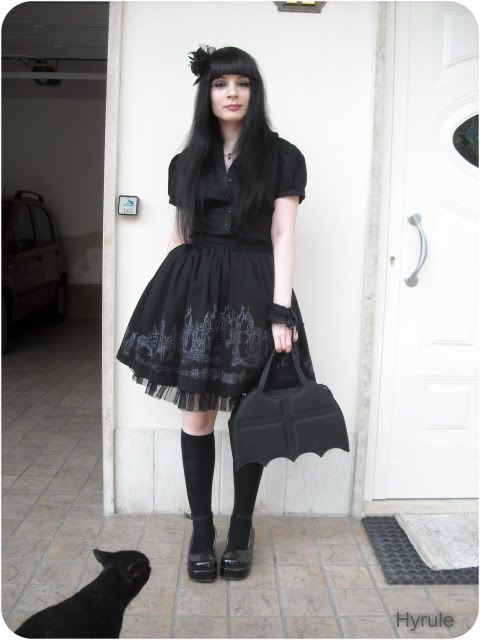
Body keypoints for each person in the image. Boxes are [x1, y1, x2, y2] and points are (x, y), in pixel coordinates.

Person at [116, 45, 316, 581]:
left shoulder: (282, 157)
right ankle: (202, 529)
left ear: (254, 92)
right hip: (196, 294)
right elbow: (180, 234)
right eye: (221, 83)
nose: (232, 93)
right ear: (206, 93)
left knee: (251, 416)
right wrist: (167, 306)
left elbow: (283, 235)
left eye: (242, 84)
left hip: (254, 292)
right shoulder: (187, 162)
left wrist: (281, 311)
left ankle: (242, 527)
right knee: (197, 416)